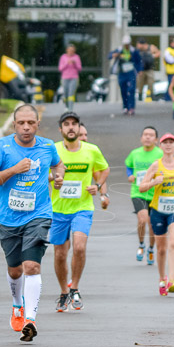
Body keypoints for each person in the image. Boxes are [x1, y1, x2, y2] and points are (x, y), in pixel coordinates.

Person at [0, 104, 64, 342]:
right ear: (14, 125)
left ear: (37, 125)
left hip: (39, 214)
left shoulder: (47, 146)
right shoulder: (2, 147)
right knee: (15, 269)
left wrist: (59, 175)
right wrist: (14, 169)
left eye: (30, 123)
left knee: (32, 265)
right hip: (8, 218)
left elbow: (58, 163)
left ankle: (30, 319)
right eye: (21, 123)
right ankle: (17, 305)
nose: (26, 127)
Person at [50, 110, 109, 312]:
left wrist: (99, 186)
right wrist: (53, 179)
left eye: (74, 123)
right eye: (66, 124)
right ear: (61, 129)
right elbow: (43, 173)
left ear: (78, 127)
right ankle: (63, 292)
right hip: (57, 209)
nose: (71, 127)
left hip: (82, 207)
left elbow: (104, 169)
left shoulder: (91, 150)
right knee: (59, 254)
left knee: (80, 247)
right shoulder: (53, 150)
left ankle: (74, 287)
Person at [138, 133, 174, 295]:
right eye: (165, 143)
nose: (168, 145)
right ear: (160, 146)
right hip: (158, 210)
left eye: (171, 142)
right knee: (161, 249)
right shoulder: (155, 165)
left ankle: (172, 280)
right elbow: (141, 187)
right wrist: (154, 182)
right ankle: (162, 278)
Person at [125, 127, 162, 265]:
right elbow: (128, 165)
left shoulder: (160, 154)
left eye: (151, 135)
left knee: (152, 224)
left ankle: (151, 249)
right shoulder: (135, 153)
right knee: (142, 219)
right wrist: (130, 175)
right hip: (138, 192)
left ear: (156, 140)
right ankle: (141, 245)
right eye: (145, 135)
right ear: (141, 138)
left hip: (155, 193)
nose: (148, 137)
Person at [112, 36, 141, 115]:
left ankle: (131, 107)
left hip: (131, 72)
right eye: (125, 44)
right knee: (123, 90)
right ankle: (125, 107)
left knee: (131, 90)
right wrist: (114, 55)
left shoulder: (134, 51)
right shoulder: (119, 50)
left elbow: (138, 61)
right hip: (122, 73)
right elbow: (110, 55)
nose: (126, 46)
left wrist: (139, 70)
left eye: (127, 44)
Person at [58, 45, 82, 111]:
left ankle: (71, 109)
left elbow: (80, 68)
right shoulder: (63, 57)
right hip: (65, 78)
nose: (71, 52)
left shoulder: (76, 57)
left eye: (73, 50)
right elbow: (60, 68)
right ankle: (66, 106)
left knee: (71, 93)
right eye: (70, 50)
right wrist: (67, 63)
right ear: (67, 50)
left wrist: (74, 63)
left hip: (74, 78)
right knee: (66, 93)